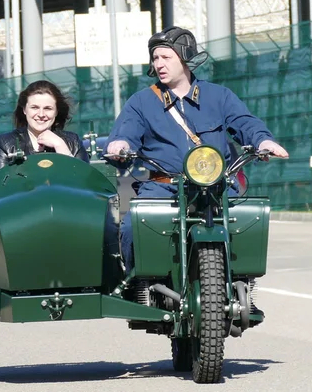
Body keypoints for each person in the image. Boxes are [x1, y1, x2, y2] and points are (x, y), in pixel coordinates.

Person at [105, 27, 288, 270]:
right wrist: (120, 144)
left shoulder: (219, 96)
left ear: (185, 58)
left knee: (249, 221)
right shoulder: (141, 102)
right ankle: (137, 290)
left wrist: (263, 141)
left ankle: (242, 285)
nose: (159, 64)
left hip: (215, 186)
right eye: (155, 58)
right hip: (163, 187)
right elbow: (126, 134)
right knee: (131, 228)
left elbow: (246, 123)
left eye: (166, 57)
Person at [0, 80, 90, 175]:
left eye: (48, 108)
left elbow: (85, 185)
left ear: (56, 112)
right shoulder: (4, 144)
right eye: (34, 107)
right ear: (24, 110)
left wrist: (60, 146)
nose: (41, 114)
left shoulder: (73, 142)